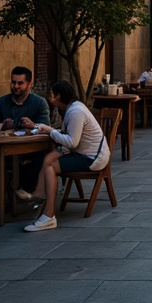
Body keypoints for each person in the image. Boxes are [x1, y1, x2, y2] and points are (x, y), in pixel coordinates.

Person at [24, 80, 110, 232]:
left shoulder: (76, 112)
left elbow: (72, 142)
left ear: (58, 96)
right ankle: (40, 196)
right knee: (49, 158)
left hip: (92, 158)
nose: (50, 98)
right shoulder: (72, 108)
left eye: (51, 95)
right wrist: (36, 126)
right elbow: (65, 135)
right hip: (84, 153)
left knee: (50, 166)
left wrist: (50, 131)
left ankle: (49, 215)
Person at [0, 66, 50, 203]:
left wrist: (32, 126)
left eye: (20, 83)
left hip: (29, 149)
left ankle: (26, 189)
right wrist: (2, 126)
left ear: (30, 84)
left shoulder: (40, 103)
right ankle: (6, 192)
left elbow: (45, 128)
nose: (16, 86)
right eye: (13, 82)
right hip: (4, 148)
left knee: (42, 157)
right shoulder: (1, 102)